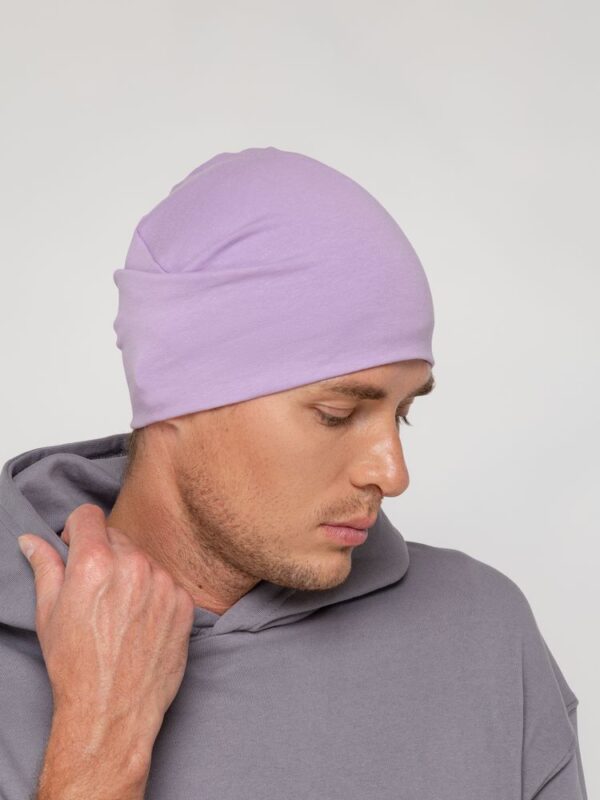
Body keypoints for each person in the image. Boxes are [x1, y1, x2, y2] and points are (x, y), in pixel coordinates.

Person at [0, 147, 587, 799]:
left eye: (403, 413)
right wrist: (98, 747)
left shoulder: (482, 636)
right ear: (176, 397)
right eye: (337, 415)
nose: (393, 474)